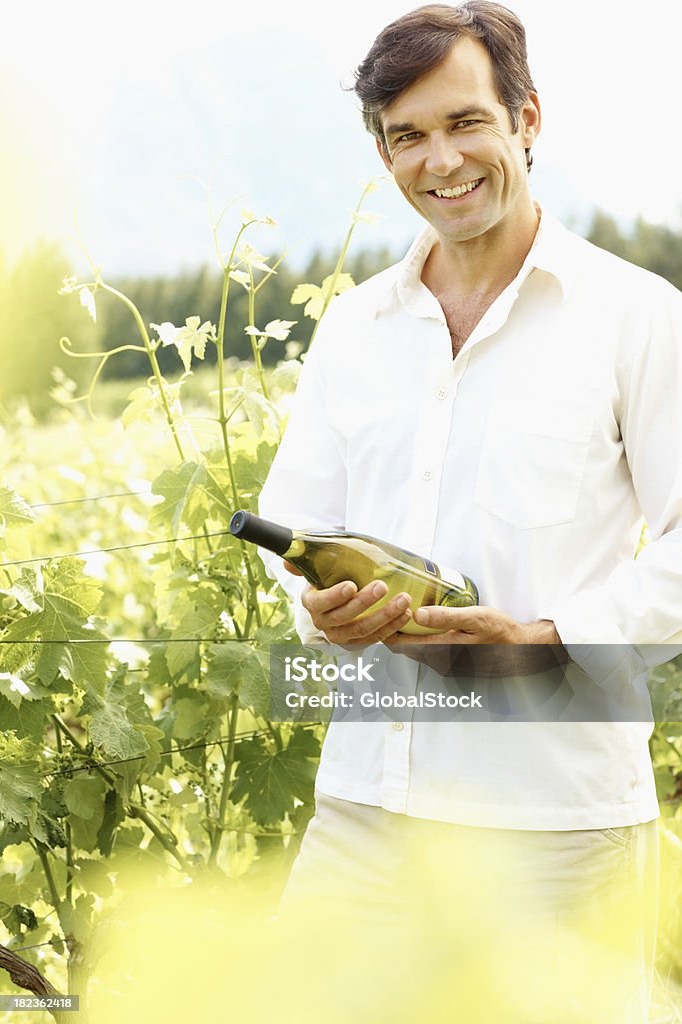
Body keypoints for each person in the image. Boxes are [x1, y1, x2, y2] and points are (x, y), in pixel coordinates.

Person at [256, 3, 682, 1020]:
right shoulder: (354, 328)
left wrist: (546, 637)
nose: (437, 160)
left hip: (556, 827)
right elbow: (290, 531)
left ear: (525, 119)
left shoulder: (634, 318)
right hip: (363, 813)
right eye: (405, 136)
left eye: (463, 123)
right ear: (381, 151)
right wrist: (319, 609)